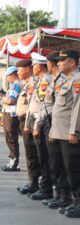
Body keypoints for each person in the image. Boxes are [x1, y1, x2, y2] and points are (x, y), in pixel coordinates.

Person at [48, 50, 80, 218]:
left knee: (74, 168)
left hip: (69, 132)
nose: (58, 63)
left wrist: (74, 131)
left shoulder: (77, 79)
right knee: (65, 167)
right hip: (60, 131)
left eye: (62, 61)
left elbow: (77, 107)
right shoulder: (67, 80)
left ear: (72, 63)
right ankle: (72, 200)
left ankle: (78, 201)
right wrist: (53, 130)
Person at [40, 51, 72, 209]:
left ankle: (67, 196)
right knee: (55, 162)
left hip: (63, 128)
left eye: (62, 61)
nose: (58, 63)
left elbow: (73, 108)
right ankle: (60, 193)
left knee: (66, 164)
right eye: (57, 61)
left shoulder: (70, 80)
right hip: (54, 125)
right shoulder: (58, 80)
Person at [24, 53, 53, 200]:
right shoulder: (42, 81)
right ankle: (43, 186)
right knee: (41, 157)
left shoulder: (45, 81)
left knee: (44, 158)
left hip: (41, 123)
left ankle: (46, 188)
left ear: (40, 66)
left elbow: (43, 106)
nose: (32, 68)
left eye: (34, 65)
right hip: (38, 122)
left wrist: (35, 125)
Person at [16, 59, 40, 195]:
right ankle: (32, 181)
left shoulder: (33, 83)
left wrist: (29, 124)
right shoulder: (27, 84)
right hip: (25, 121)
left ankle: (35, 182)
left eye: (19, 70)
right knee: (30, 153)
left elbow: (33, 106)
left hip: (29, 122)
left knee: (32, 154)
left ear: (26, 69)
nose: (18, 72)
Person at [0, 66, 21, 172]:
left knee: (11, 138)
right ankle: (12, 161)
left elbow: (11, 100)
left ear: (12, 75)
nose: (7, 79)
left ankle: (14, 163)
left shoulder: (16, 85)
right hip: (8, 114)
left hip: (11, 115)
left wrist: (1, 98)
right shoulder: (13, 85)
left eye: (8, 77)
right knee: (9, 138)